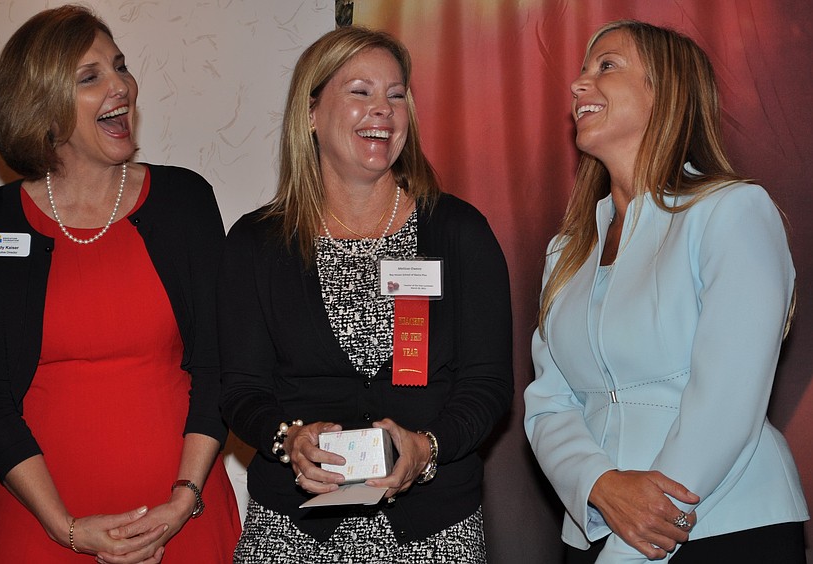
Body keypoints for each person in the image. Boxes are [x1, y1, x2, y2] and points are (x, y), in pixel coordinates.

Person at [218, 25, 513, 563]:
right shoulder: (256, 243)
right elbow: (240, 389)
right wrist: (288, 439)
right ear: (310, 113)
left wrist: (428, 448)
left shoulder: (458, 231)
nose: (383, 109)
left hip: (434, 530)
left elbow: (487, 384)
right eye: (360, 92)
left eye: (396, 95)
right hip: (293, 534)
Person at [524, 19, 809, 563]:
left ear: (666, 91)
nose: (579, 84)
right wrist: (599, 485)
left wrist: (639, 538)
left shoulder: (732, 210)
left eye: (606, 66)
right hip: (595, 529)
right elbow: (548, 403)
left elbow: (727, 398)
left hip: (722, 528)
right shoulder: (566, 251)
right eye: (583, 70)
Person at [0, 6, 240, 563]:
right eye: (90, 77)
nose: (122, 87)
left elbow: (218, 363)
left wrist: (183, 501)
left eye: (120, 67)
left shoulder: (184, 202)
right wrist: (64, 528)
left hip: (183, 519)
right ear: (40, 105)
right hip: (38, 529)